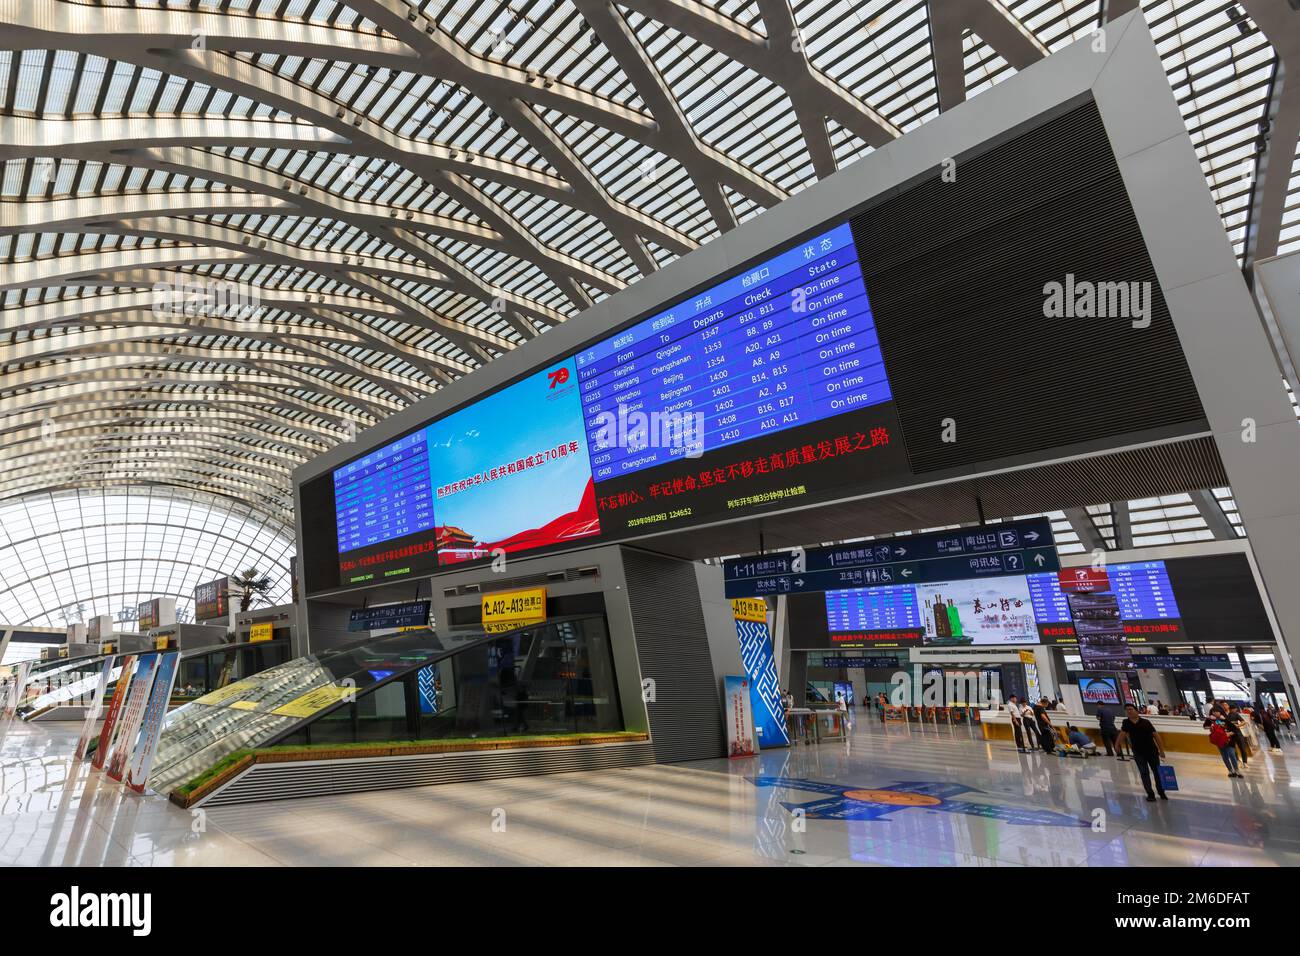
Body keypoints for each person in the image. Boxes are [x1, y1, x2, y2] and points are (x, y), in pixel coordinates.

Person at [1115, 703, 1169, 801]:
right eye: (1127, 710)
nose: (1129, 711)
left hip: (1152, 751)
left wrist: (1161, 750)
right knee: (1144, 773)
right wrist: (1117, 745)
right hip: (1138, 752)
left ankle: (1161, 792)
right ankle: (1150, 793)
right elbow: (1122, 734)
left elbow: (1156, 736)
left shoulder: (1146, 722)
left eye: (1131, 709)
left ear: (1136, 711)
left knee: (1157, 773)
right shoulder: (1126, 723)